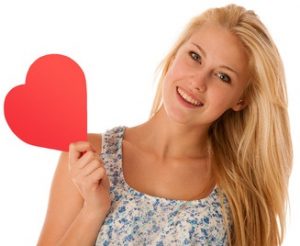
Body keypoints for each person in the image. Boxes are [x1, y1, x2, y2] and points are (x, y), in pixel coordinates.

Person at [37, 4, 292, 246]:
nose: (198, 82)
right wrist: (93, 210)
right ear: (174, 56)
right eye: (195, 56)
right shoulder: (88, 155)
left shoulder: (237, 190)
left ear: (241, 100)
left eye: (223, 76)